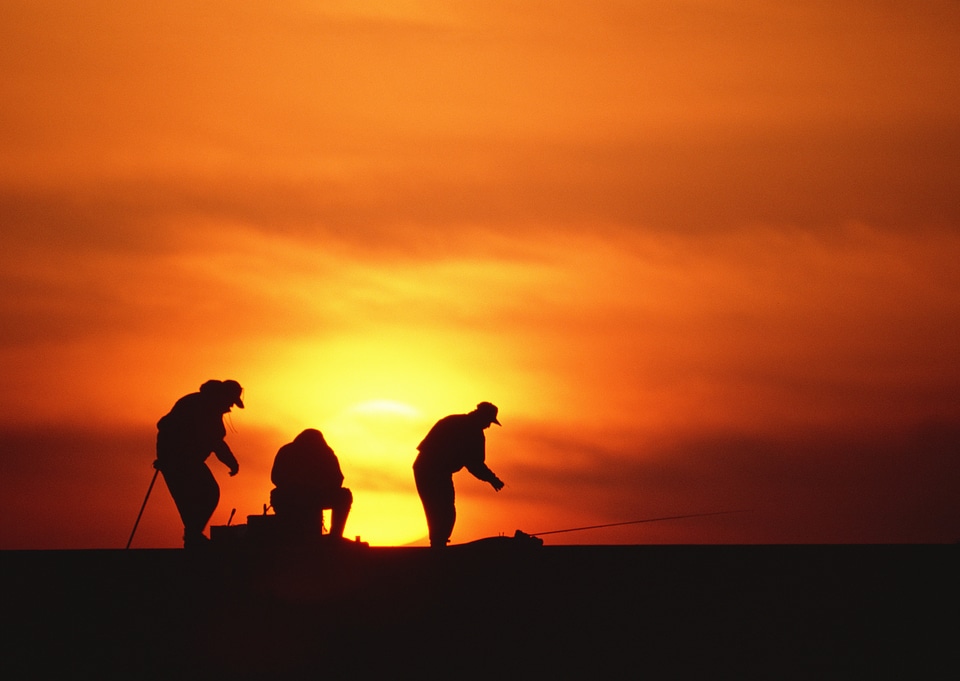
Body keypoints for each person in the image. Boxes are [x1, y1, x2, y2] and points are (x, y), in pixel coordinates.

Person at [154, 379, 244, 548]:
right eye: (231, 401)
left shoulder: (203, 406)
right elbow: (215, 443)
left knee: (198, 497)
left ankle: (193, 536)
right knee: (207, 493)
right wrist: (232, 462)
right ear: (222, 396)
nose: (231, 407)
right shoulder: (200, 407)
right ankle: (193, 536)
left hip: (180, 460)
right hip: (180, 461)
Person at [413, 402, 505, 548]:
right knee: (443, 510)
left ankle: (438, 544)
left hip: (427, 469)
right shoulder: (472, 433)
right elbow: (475, 464)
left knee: (440, 510)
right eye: (488, 421)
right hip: (432, 470)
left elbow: (474, 464)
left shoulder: (451, 421)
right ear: (481, 416)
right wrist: (493, 479)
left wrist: (491, 479)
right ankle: (438, 547)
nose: (488, 426)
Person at [270, 429, 353, 541]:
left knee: (344, 495)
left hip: (315, 496)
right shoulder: (288, 451)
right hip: (291, 497)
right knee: (278, 495)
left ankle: (335, 537)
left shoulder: (325, 452)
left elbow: (338, 479)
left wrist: (318, 487)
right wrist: (299, 486)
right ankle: (290, 533)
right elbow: (276, 478)